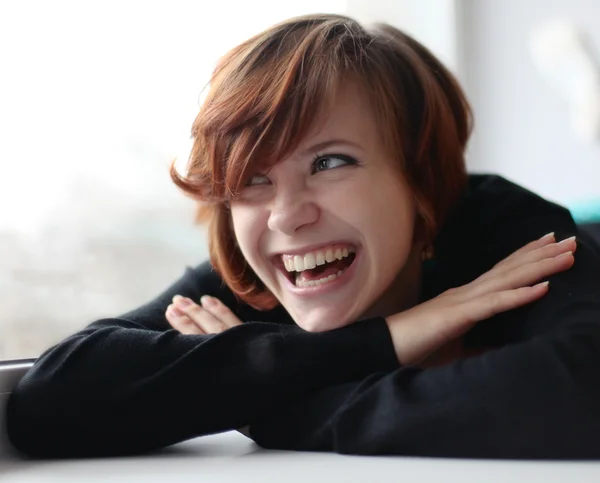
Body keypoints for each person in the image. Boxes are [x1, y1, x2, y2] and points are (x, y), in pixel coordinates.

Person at [6, 14, 600, 459]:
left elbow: (580, 391)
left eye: (330, 162)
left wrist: (276, 406)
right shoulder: (254, 273)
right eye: (254, 179)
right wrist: (388, 339)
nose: (287, 216)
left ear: (417, 178)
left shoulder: (514, 238)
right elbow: (48, 401)